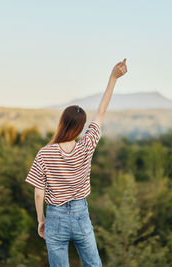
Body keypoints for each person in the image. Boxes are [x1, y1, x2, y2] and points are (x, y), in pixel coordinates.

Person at [25, 58, 128, 267]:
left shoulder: (45, 153)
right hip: (81, 214)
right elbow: (101, 111)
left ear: (61, 122)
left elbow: (38, 192)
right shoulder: (86, 146)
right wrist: (113, 78)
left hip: (55, 216)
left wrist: (41, 220)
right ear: (81, 128)